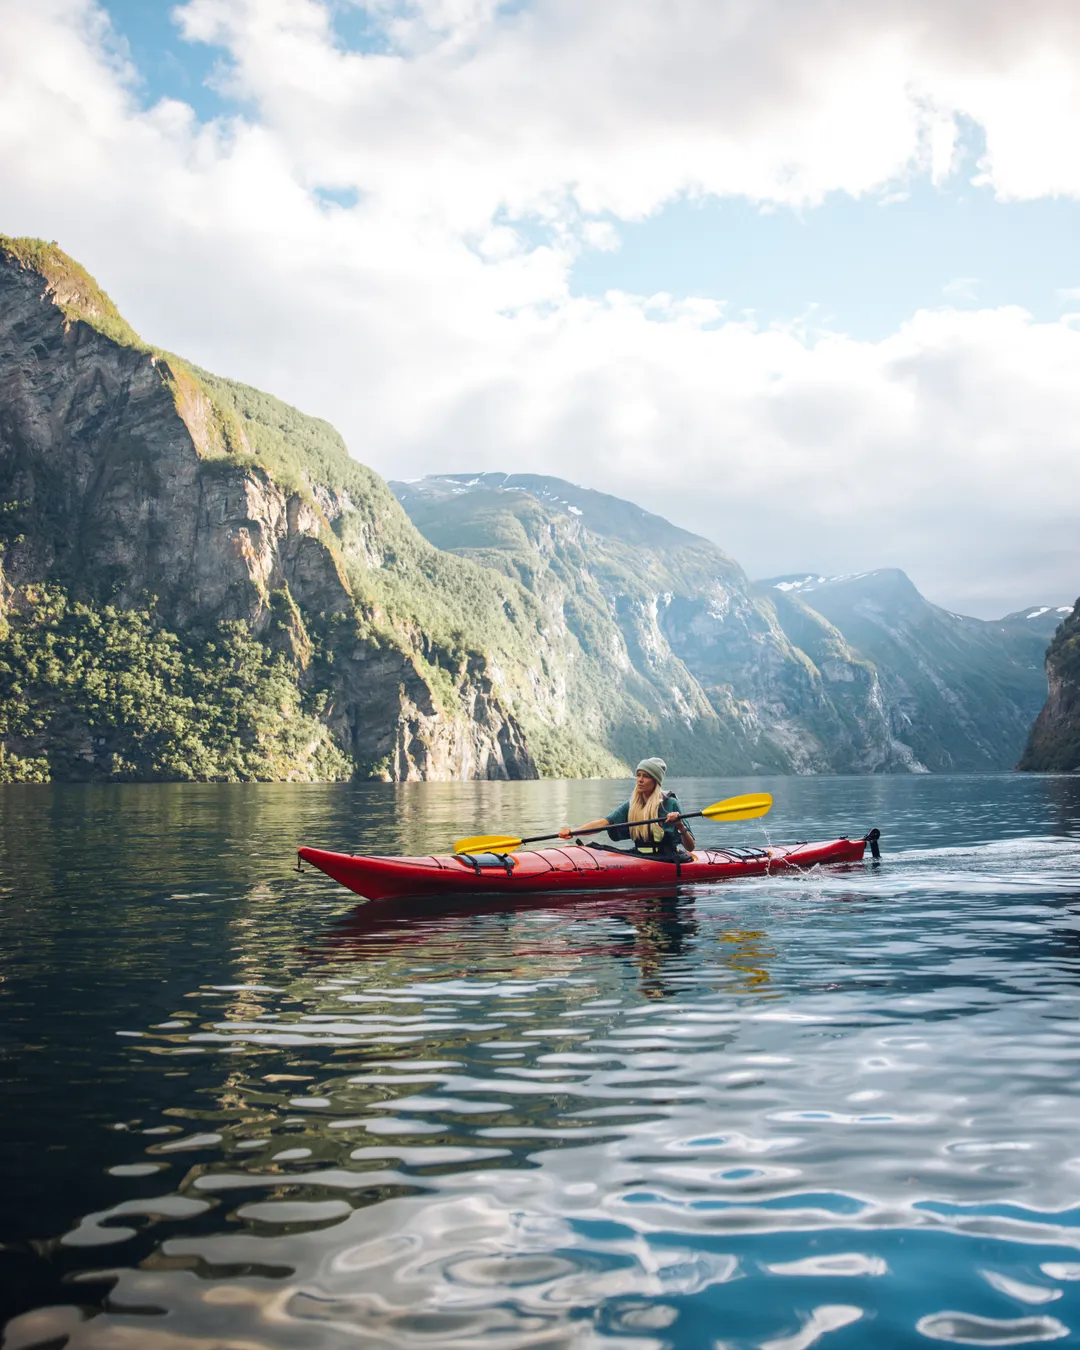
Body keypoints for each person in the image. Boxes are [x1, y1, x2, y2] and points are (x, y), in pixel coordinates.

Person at [558, 757, 696, 861]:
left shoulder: (670, 803)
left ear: (655, 781)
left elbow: (690, 847)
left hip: (667, 857)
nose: (640, 780)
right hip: (639, 856)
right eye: (639, 775)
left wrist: (679, 825)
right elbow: (603, 823)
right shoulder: (631, 805)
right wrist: (574, 832)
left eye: (646, 776)